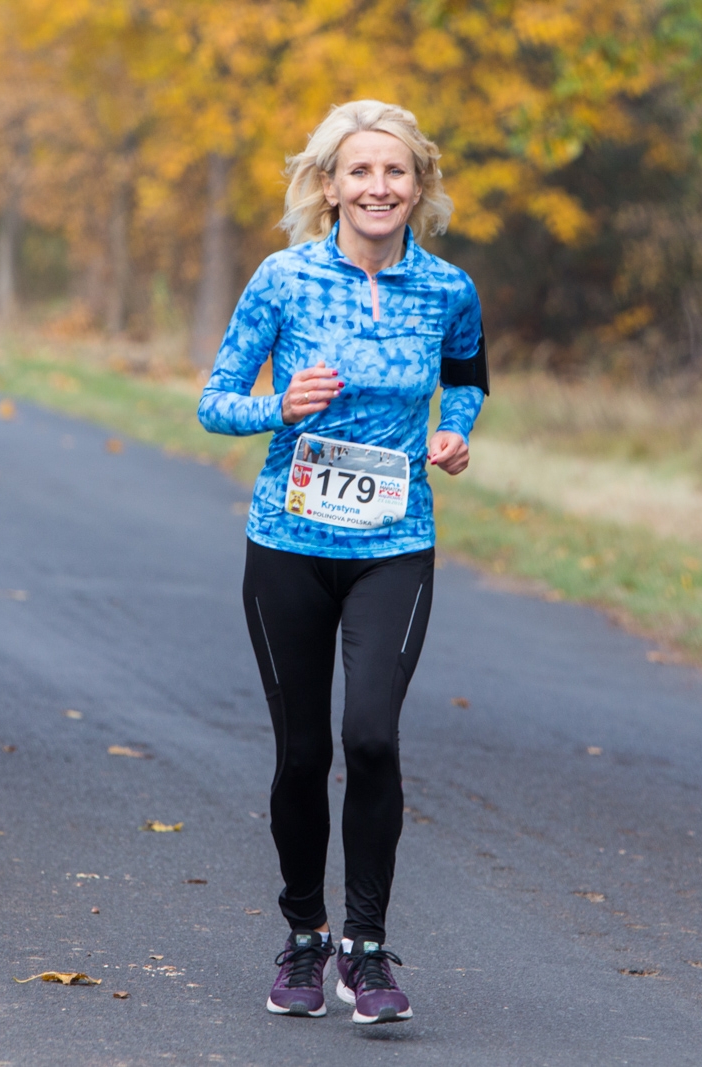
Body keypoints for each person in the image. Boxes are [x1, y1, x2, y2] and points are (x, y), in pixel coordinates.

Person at [197, 100, 489, 1025]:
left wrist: (452, 431)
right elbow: (213, 400)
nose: (378, 187)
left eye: (395, 172)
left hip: (394, 545)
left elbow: (471, 379)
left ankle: (368, 949)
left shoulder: (447, 289)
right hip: (287, 542)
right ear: (330, 185)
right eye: (359, 172)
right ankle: (302, 935)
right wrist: (279, 407)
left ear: (419, 187)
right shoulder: (282, 280)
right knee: (302, 750)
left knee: (370, 734)